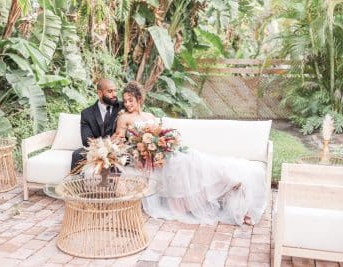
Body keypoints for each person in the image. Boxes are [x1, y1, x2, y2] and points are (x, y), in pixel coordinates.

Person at [114, 81, 267, 226]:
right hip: (146, 158)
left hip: (163, 152)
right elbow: (120, 140)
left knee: (192, 158)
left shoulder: (150, 116)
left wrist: (166, 143)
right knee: (182, 163)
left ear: (139, 99)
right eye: (125, 101)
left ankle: (227, 181)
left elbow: (160, 135)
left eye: (131, 100)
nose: (127, 104)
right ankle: (218, 186)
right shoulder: (124, 118)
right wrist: (131, 152)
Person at [71, 79, 124, 171]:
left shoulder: (123, 107)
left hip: (118, 148)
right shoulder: (87, 114)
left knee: (118, 155)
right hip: (96, 149)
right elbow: (87, 140)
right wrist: (105, 147)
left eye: (115, 90)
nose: (114, 94)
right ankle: (75, 184)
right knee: (77, 154)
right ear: (100, 93)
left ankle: (112, 185)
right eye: (110, 91)